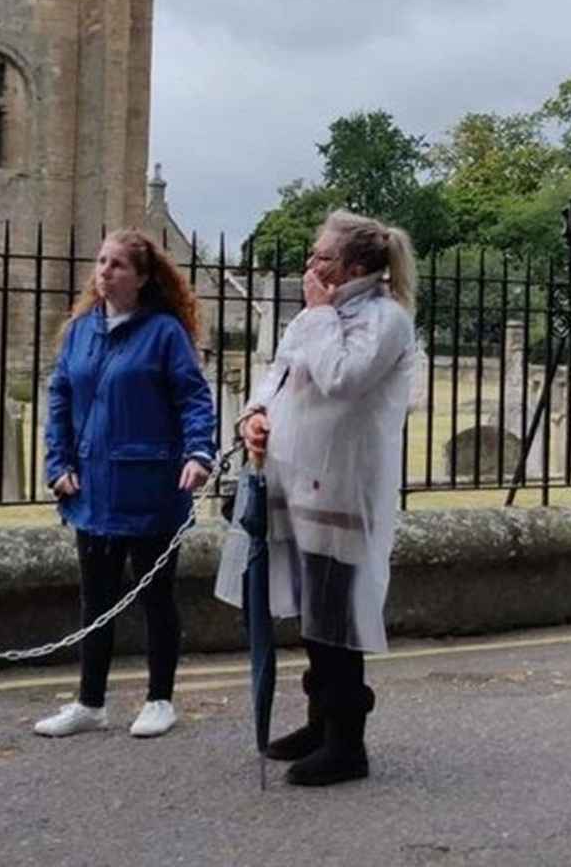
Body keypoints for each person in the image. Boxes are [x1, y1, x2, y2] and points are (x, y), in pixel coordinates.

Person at [216, 211, 418, 787]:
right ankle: (320, 719)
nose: (311, 266)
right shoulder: (318, 316)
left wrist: (320, 314)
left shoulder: (385, 319)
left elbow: (342, 379)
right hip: (295, 481)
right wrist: (255, 416)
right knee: (313, 612)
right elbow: (277, 375)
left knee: (337, 616)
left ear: (355, 267)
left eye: (321, 258)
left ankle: (347, 741)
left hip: (344, 488)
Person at [36, 229, 217, 739]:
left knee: (155, 596)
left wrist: (199, 452)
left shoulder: (164, 333)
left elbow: (193, 399)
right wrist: (58, 463)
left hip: (150, 486)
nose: (104, 271)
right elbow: (61, 401)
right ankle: (90, 702)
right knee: (95, 600)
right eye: (101, 262)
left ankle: (160, 698)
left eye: (117, 264)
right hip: (91, 487)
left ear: (141, 278)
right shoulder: (80, 331)